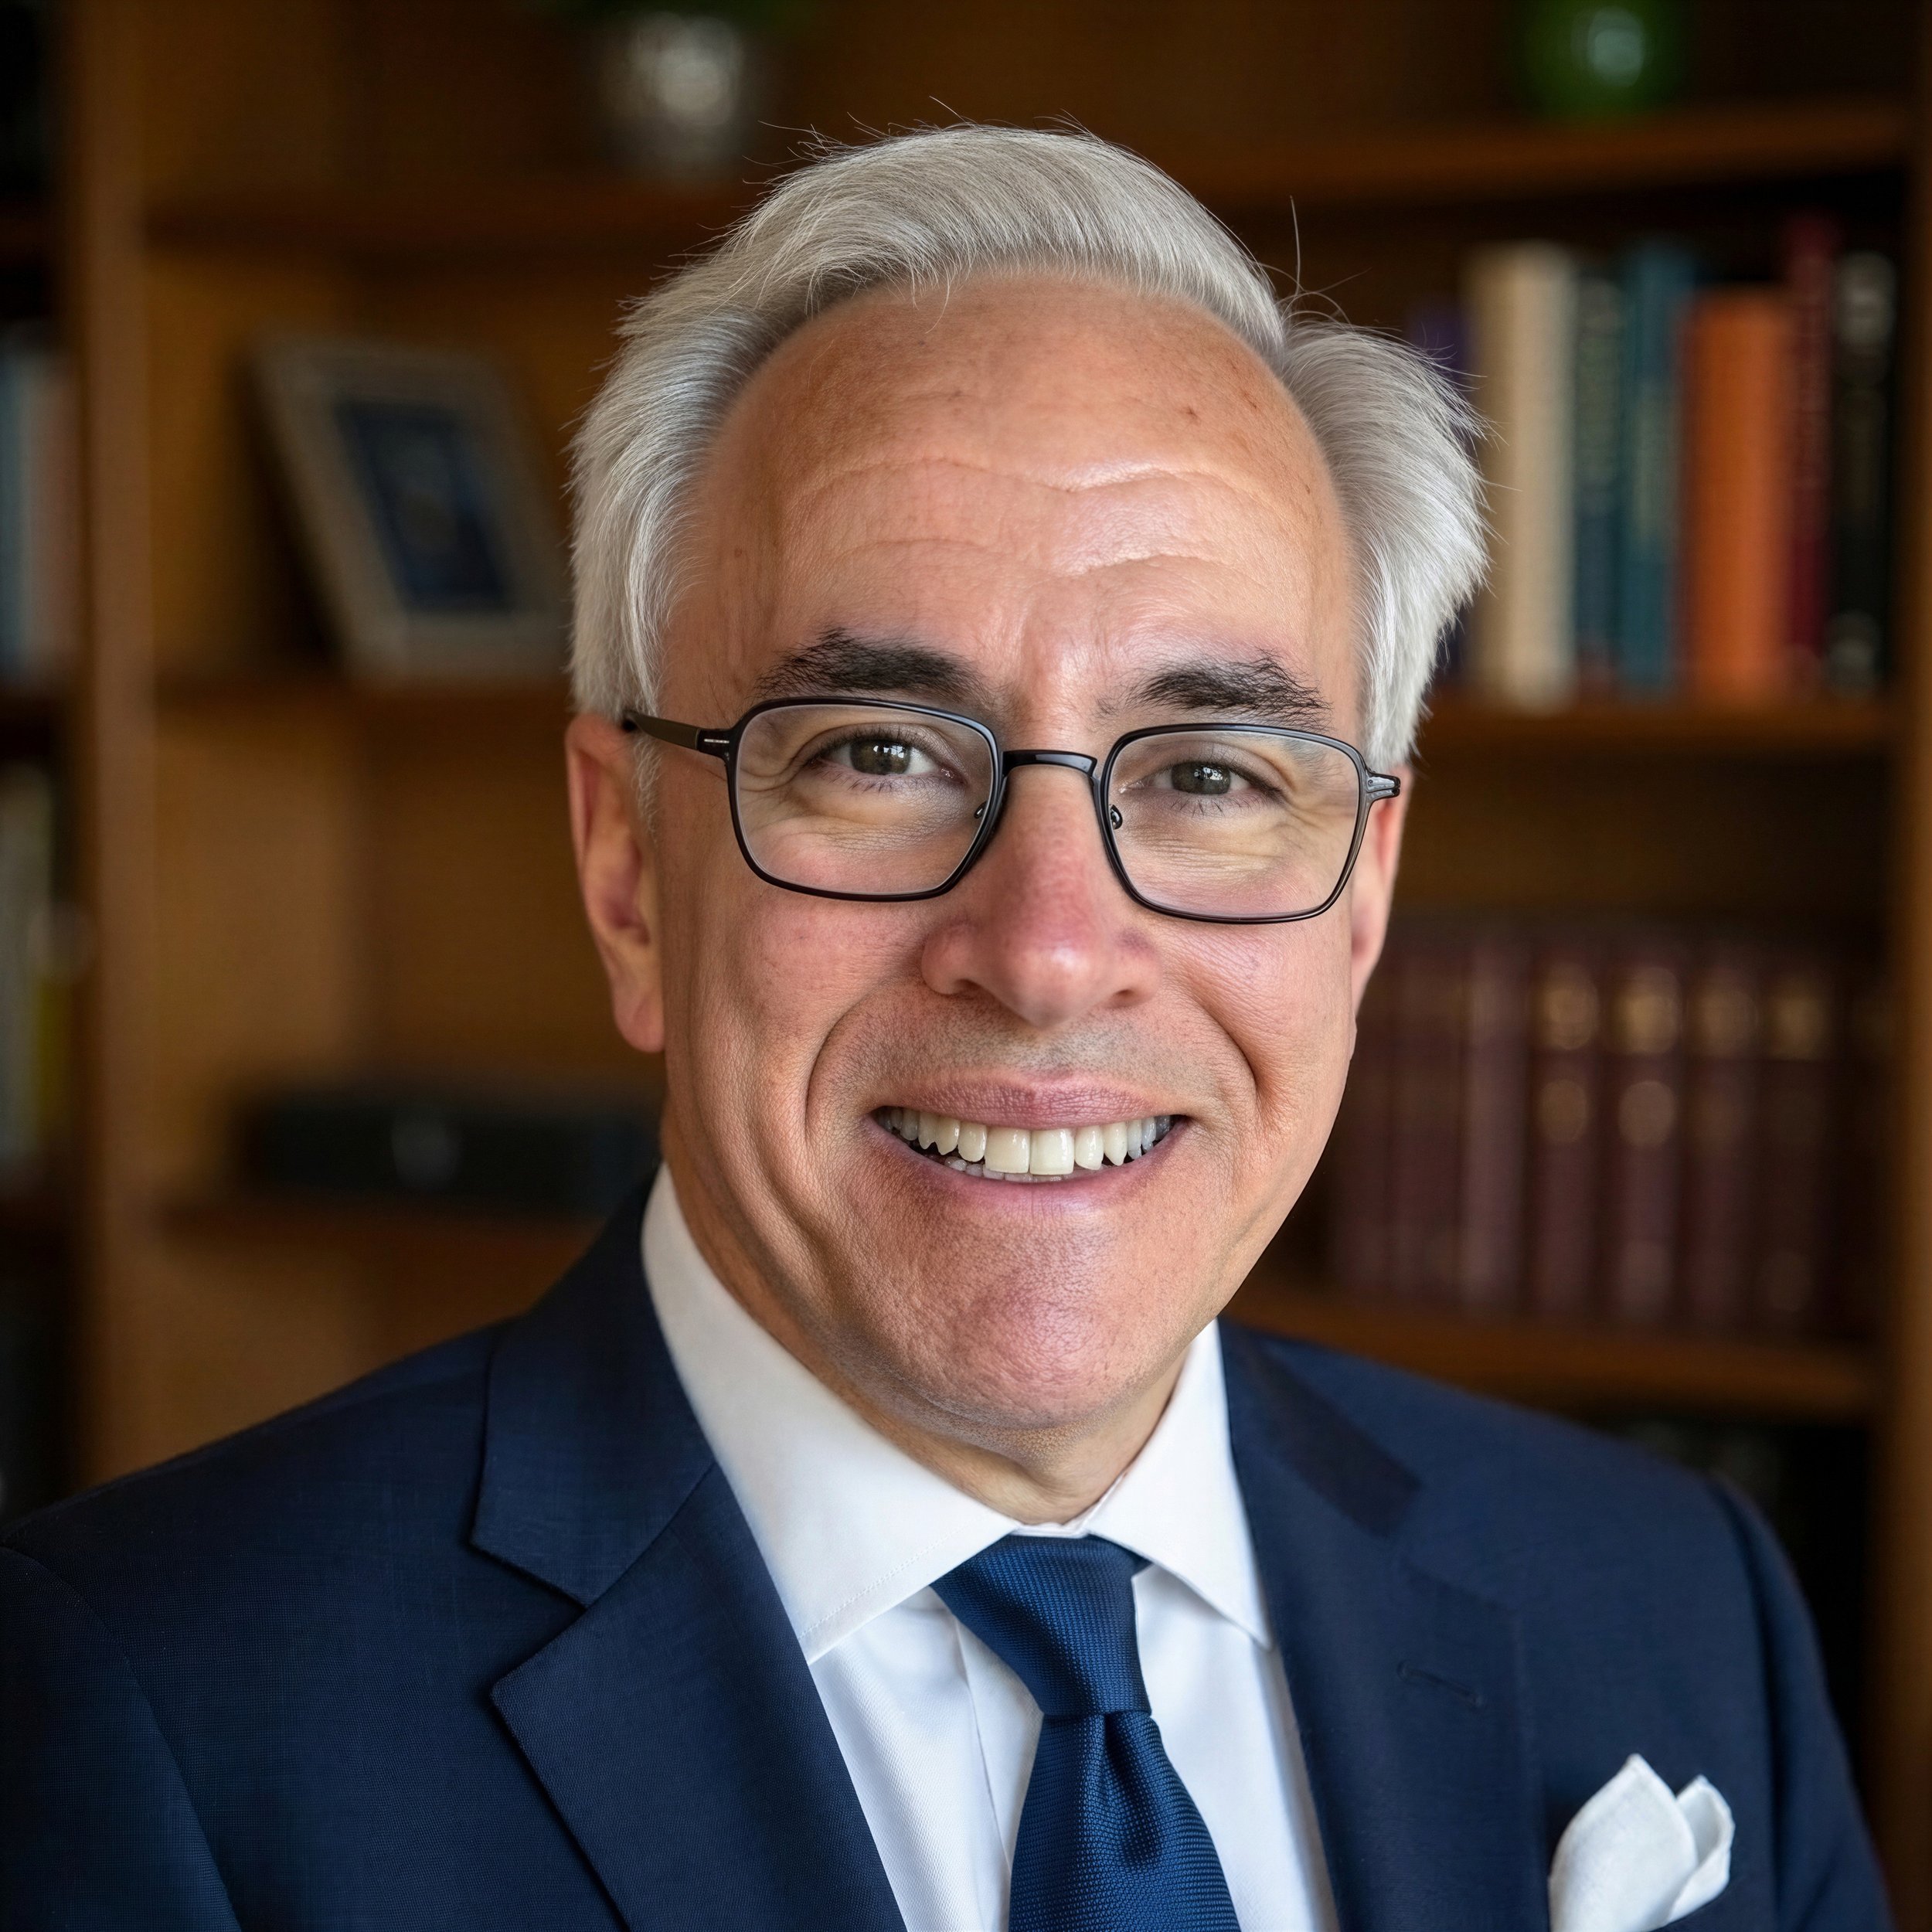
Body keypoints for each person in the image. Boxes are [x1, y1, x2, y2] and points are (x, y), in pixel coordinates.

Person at [1, 126, 1887, 1931]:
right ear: (625, 869)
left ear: (1364, 895)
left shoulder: (1666, 1597)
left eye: (1214, 772)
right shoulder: (146, 1709)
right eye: (879, 755)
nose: (1053, 946)